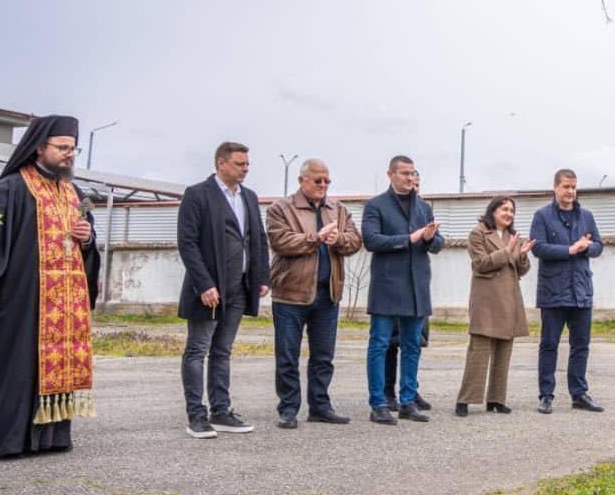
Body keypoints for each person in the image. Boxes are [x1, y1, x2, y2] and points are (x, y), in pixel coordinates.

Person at [0, 116, 100, 459]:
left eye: (73, 148)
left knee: (50, 368)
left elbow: (86, 243)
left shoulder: (73, 192)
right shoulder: (11, 188)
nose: (70, 155)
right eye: (63, 148)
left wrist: (87, 239)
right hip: (18, 302)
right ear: (40, 148)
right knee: (12, 368)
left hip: (62, 307)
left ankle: (46, 438)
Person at [177, 142, 271, 439]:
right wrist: (204, 283)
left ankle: (221, 410)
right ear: (221, 164)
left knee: (223, 350)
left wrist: (262, 276)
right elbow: (187, 243)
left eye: (247, 164)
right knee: (197, 350)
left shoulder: (249, 197)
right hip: (209, 289)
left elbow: (258, 238)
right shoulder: (198, 195)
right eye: (239, 164)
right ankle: (197, 415)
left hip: (239, 288)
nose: (245, 169)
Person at [265, 158, 363, 428]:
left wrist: (339, 239)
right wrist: (316, 238)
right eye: (317, 180)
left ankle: (320, 406)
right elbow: (280, 241)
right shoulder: (280, 208)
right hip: (290, 294)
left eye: (327, 180)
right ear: (301, 180)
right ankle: (288, 409)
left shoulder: (338, 209)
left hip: (327, 294)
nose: (323, 185)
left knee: (323, 356)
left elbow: (356, 240)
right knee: (287, 355)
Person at [362, 155, 443, 425]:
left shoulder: (423, 207)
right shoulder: (376, 206)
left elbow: (436, 242)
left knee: (412, 346)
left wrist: (431, 238)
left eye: (412, 173)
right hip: (387, 286)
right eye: (404, 173)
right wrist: (408, 239)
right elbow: (371, 240)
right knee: (380, 345)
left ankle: (408, 401)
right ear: (391, 175)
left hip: (417, 287)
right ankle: (379, 403)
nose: (409, 178)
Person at [529, 168, 604, 414]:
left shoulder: (587, 216)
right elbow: (537, 248)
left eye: (573, 187)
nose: (570, 192)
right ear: (555, 188)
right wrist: (569, 250)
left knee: (581, 345)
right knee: (549, 344)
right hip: (553, 291)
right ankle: (546, 395)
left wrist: (587, 247)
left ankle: (579, 394)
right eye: (565, 187)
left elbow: (599, 246)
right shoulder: (542, 216)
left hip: (581, 291)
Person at [456, 196, 535, 416]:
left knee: (504, 351)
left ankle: (496, 399)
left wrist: (522, 256)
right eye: (504, 209)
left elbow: (521, 270)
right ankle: (465, 400)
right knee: (478, 352)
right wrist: (506, 252)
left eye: (512, 210)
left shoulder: (513, 237)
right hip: (486, 299)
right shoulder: (478, 233)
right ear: (493, 211)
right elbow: (480, 264)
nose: (509, 213)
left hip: (509, 299)